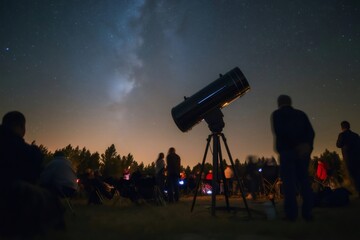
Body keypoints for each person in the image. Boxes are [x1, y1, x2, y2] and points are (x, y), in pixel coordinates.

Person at [0, 111, 64, 237]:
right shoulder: (24, 150)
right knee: (49, 198)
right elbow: (33, 174)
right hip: (9, 196)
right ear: (21, 127)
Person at [271, 95, 315, 221]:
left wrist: (294, 146)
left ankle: (291, 214)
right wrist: (307, 146)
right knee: (304, 182)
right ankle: (307, 213)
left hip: (287, 152)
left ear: (279, 103)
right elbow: (311, 133)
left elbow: (280, 131)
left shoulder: (277, 114)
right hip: (303, 153)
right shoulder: (301, 114)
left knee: (289, 184)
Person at [336, 120, 360, 197]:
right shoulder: (355, 135)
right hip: (358, 157)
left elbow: (338, 145)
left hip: (349, 158)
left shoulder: (342, 135)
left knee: (352, 176)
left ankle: (358, 192)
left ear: (342, 127)